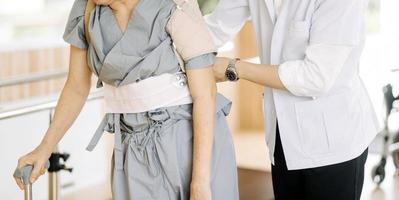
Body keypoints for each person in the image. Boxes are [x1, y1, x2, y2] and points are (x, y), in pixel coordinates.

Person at [14, 0, 239, 199]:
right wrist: (44, 148)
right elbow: (76, 86)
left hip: (189, 139)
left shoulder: (175, 6)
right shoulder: (85, 11)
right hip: (131, 145)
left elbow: (205, 94)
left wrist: (200, 183)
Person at [206, 0, 379, 199]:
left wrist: (236, 68)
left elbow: (315, 77)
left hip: (333, 141)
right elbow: (215, 28)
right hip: (283, 137)